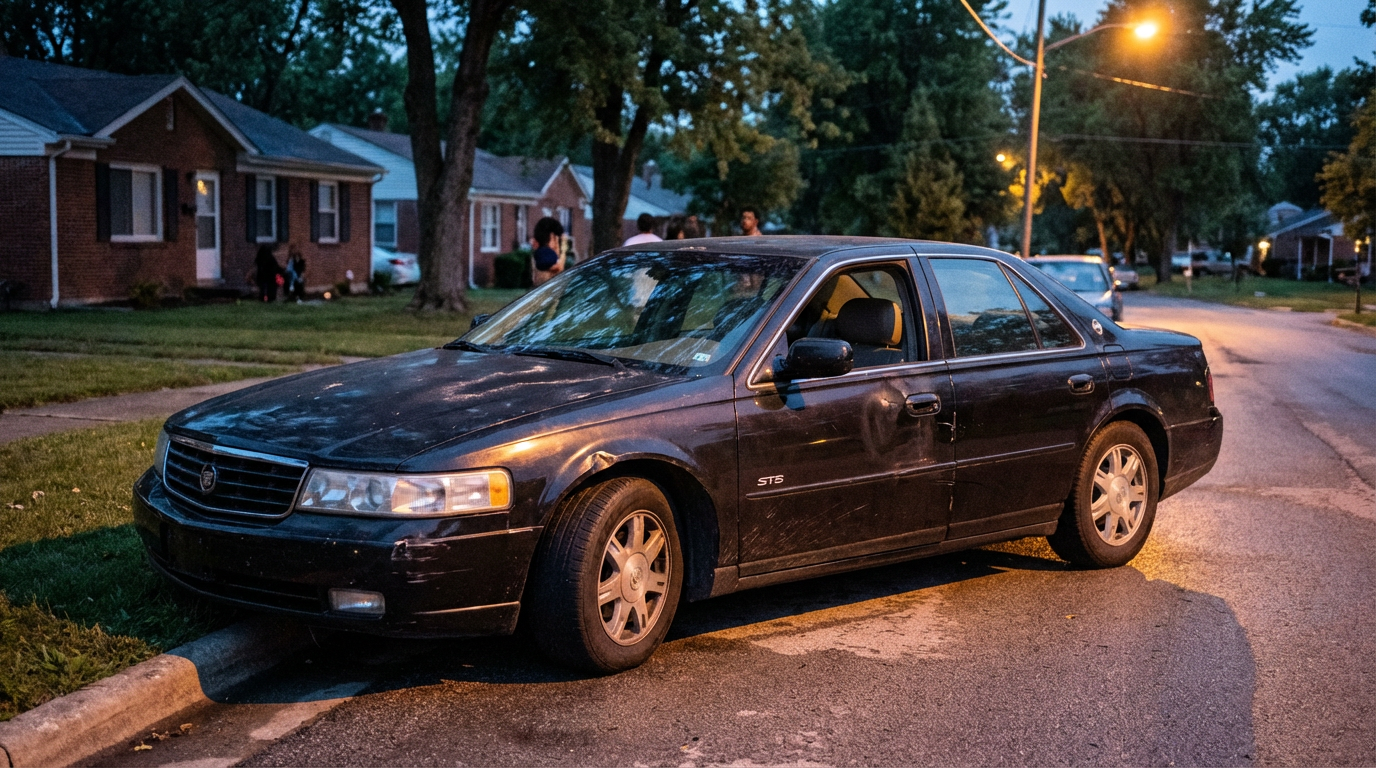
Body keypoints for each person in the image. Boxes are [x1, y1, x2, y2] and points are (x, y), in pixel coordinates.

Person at [530, 217, 567, 287]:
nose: (556, 243)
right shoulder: (543, 252)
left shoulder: (544, 253)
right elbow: (559, 267)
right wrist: (564, 249)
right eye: (554, 238)